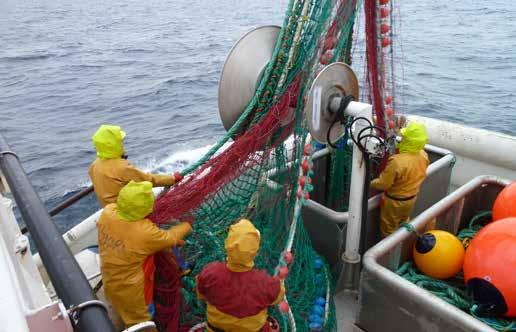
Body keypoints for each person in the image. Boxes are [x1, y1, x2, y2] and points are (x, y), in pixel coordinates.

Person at [97, 180, 192, 328]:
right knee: (142, 323)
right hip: (134, 292)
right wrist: (188, 224)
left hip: (109, 281)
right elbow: (170, 238)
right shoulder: (145, 233)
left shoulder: (107, 213)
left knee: (120, 307)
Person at [196, 219, 285, 332]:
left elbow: (201, 293)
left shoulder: (210, 272)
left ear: (227, 245)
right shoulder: (265, 282)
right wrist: (280, 279)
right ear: (255, 252)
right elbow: (278, 297)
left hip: (215, 328)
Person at [89, 124, 182, 207]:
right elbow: (147, 180)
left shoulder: (94, 166)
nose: (122, 143)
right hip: (126, 212)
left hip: (109, 211)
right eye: (120, 141)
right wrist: (172, 179)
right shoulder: (121, 167)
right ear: (114, 144)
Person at [371, 121, 429, 237]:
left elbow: (383, 184)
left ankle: (388, 253)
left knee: (388, 230)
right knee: (403, 224)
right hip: (411, 199)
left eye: (404, 137)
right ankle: (401, 247)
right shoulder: (423, 155)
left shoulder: (396, 161)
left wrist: (370, 183)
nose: (401, 138)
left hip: (394, 202)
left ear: (408, 140)